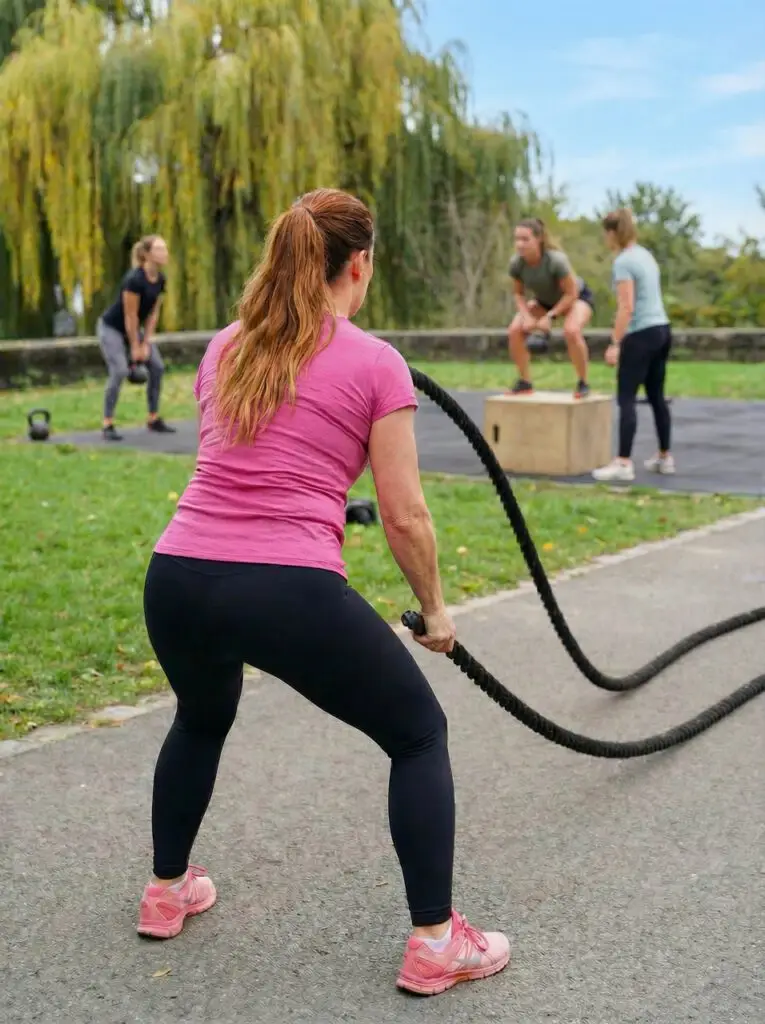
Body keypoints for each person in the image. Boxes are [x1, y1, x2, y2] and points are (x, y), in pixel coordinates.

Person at [137, 188, 511, 996]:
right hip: (282, 587)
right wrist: (437, 612)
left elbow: (252, 460)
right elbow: (406, 514)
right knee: (417, 734)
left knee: (200, 718)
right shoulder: (374, 361)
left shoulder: (224, 347)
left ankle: (167, 891)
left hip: (177, 578)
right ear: (359, 263)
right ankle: (437, 941)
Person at [592, 209, 674, 482]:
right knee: (656, 397)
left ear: (613, 232)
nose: (605, 238)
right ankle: (665, 457)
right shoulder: (645, 255)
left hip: (640, 334)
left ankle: (623, 463)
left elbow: (626, 306)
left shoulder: (624, 262)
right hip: (662, 330)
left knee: (626, 397)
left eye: (606, 232)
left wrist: (616, 343)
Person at [97, 234, 176, 441]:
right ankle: (107, 423)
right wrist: (135, 346)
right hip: (112, 328)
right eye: (159, 249)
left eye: (165, 249)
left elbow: (152, 314)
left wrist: (146, 343)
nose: (164, 253)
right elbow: (130, 316)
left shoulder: (160, 280)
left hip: (134, 329)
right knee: (120, 370)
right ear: (147, 254)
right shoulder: (134, 280)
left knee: (157, 366)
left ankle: (153, 418)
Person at [507, 217, 594, 398]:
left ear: (538, 239)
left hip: (575, 298)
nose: (520, 244)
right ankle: (525, 382)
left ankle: (583, 383)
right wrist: (528, 317)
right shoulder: (517, 263)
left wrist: (550, 317)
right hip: (545, 301)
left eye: (525, 239)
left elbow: (571, 294)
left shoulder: (556, 261)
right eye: (517, 239)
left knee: (571, 331)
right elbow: (518, 294)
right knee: (515, 329)